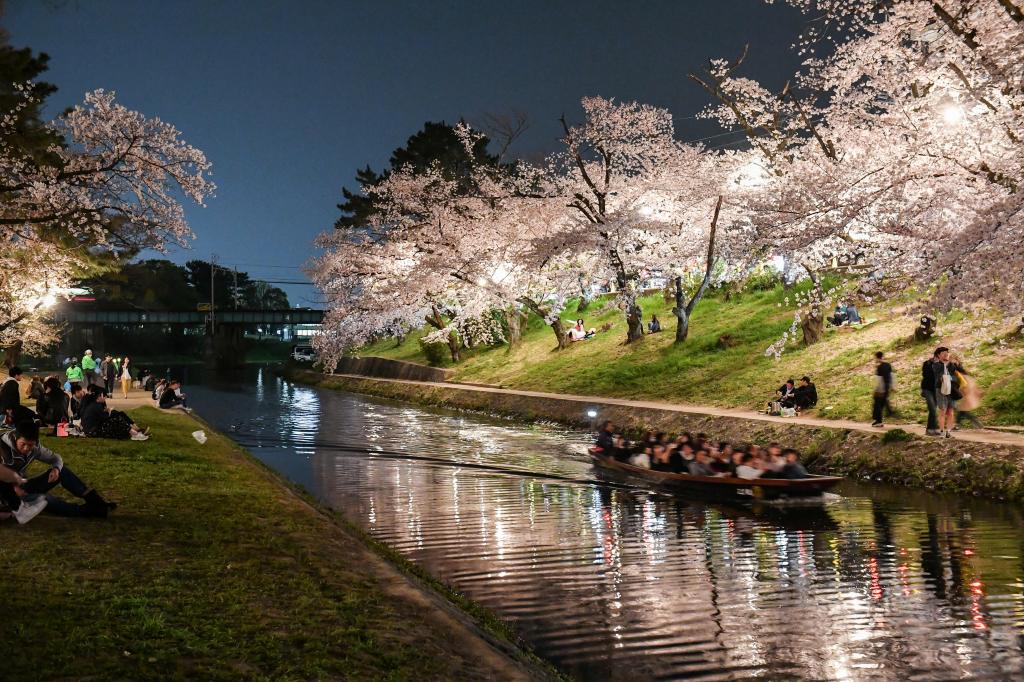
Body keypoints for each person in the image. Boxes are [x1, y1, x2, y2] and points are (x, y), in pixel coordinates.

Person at [0, 420, 116, 522]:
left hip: (21, 485)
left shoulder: (35, 448)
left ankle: (97, 502)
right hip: (5, 496)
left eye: (30, 445)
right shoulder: (2, 447)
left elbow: (56, 458)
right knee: (43, 499)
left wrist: (56, 469)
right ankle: (84, 511)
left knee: (62, 471)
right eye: (23, 444)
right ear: (15, 437)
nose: (26, 448)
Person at [81, 388, 149, 441]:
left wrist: (109, 411)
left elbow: (101, 417)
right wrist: (110, 411)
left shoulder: (95, 405)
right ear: (99, 396)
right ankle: (135, 433)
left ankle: (134, 432)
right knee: (115, 420)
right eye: (103, 396)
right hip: (92, 431)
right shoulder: (96, 406)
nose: (105, 398)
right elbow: (106, 418)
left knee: (117, 418)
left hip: (92, 429)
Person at [950, 355, 983, 430]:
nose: (951, 361)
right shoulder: (958, 367)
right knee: (962, 408)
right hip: (966, 384)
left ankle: (972, 421)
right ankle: (973, 421)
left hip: (965, 384)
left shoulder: (955, 367)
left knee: (962, 408)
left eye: (952, 359)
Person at [932, 347, 959, 438]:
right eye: (943, 353)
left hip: (951, 389)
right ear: (938, 355)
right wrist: (946, 364)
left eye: (947, 352)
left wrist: (951, 363)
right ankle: (942, 431)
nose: (946, 354)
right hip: (941, 389)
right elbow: (940, 375)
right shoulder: (936, 365)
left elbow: (954, 375)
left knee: (951, 411)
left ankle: (949, 431)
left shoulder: (952, 365)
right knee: (943, 410)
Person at [921, 348, 943, 435]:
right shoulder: (927, 363)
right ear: (937, 355)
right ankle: (930, 429)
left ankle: (932, 429)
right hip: (927, 389)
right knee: (932, 408)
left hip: (936, 390)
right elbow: (926, 375)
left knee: (934, 409)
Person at [872, 351, 894, 427]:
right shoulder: (888, 365)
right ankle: (881, 418)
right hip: (887, 387)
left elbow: (879, 379)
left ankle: (878, 421)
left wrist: (876, 390)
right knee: (881, 404)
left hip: (881, 389)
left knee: (877, 405)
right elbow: (892, 376)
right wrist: (893, 386)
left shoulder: (879, 367)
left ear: (877, 357)